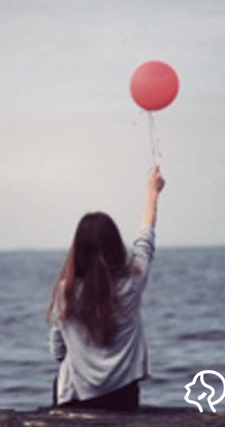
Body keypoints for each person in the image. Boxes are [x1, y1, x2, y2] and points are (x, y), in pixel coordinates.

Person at [46, 165, 165, 411]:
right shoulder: (132, 282)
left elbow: (58, 350)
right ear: (115, 245)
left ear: (78, 248)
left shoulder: (64, 291)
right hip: (122, 396)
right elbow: (145, 239)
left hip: (75, 396)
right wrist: (152, 193)